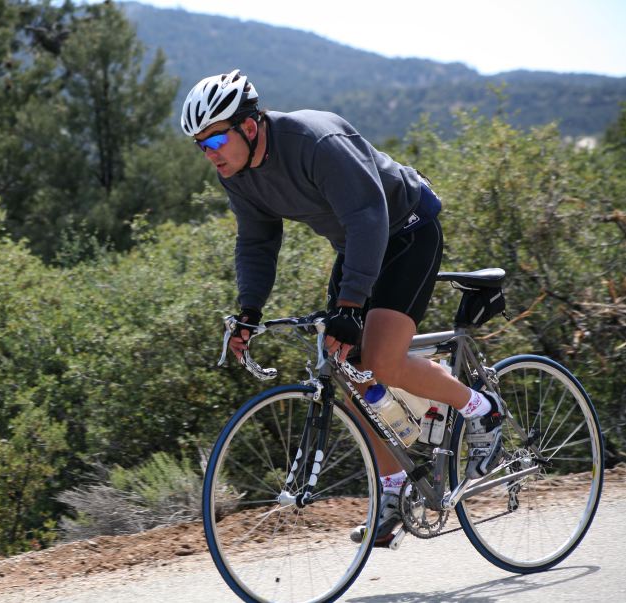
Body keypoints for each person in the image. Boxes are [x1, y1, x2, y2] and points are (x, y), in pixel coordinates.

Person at [182, 69, 506, 546]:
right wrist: (249, 310)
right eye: (199, 147)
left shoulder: (315, 140)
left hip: (405, 230)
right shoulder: (237, 175)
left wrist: (350, 305)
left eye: (214, 142)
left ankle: (483, 410)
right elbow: (256, 242)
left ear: (249, 127)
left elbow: (370, 215)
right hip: (357, 243)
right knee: (347, 365)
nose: (209, 156)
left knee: (380, 359)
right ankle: (396, 491)